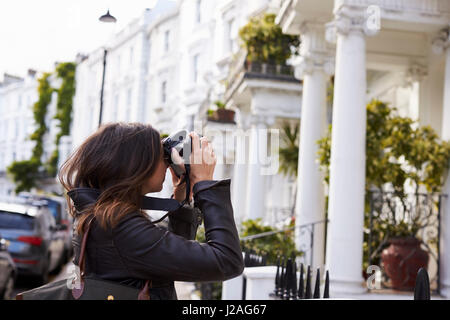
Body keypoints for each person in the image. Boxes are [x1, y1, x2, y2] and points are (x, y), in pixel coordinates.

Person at [58, 122, 244, 300]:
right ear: (136, 165)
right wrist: (206, 185)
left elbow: (168, 259)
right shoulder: (119, 227)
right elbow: (227, 261)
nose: (167, 163)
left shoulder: (103, 218)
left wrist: (181, 196)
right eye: (161, 156)